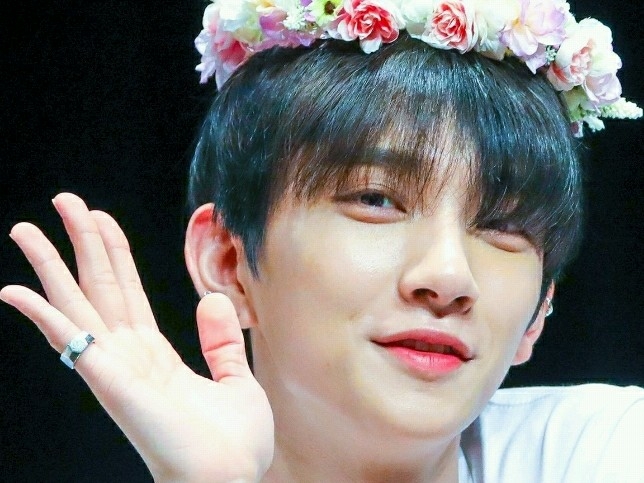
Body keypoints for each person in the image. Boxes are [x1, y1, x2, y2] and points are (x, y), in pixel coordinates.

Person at [2, 1, 643, 482]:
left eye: (502, 224)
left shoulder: (607, 450)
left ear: (539, 313)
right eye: (376, 200)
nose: (450, 277)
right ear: (228, 261)